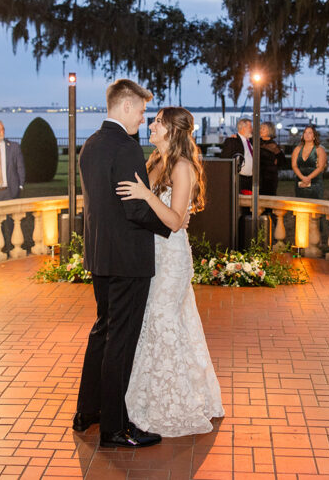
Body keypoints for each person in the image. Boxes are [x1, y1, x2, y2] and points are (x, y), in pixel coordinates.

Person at [74, 79, 171, 449]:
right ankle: (115, 428)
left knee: (102, 331)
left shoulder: (91, 146)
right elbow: (134, 208)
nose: (143, 117)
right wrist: (167, 225)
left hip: (100, 256)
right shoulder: (127, 148)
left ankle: (88, 411)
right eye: (142, 110)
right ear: (127, 107)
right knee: (121, 341)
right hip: (129, 259)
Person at [117, 107, 224, 436]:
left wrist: (147, 195)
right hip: (151, 254)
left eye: (158, 122)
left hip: (172, 258)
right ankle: (152, 394)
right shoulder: (156, 161)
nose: (151, 125)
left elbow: (176, 220)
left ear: (172, 131)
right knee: (158, 322)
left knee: (164, 321)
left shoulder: (182, 167)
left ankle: (174, 401)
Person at [0, 120, 25, 201]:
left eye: (1, 129)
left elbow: (20, 167)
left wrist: (20, 186)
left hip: (10, 192)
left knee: (11, 213)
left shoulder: (14, 147)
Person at [220, 119, 254, 193]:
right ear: (243, 128)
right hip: (239, 179)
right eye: (250, 127)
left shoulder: (251, 141)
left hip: (251, 179)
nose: (252, 129)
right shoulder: (232, 141)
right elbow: (225, 160)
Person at [292, 126, 326, 200]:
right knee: (300, 205)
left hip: (315, 182)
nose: (307, 135)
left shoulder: (319, 150)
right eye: (305, 132)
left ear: (314, 137)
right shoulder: (297, 149)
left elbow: (320, 167)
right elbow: (294, 166)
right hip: (300, 180)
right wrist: (302, 178)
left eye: (310, 133)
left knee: (315, 206)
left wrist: (308, 178)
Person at [257, 121, 285, 196]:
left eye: (263, 128)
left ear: (270, 130)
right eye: (260, 128)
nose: (260, 130)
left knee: (268, 198)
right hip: (257, 176)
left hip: (269, 177)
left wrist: (276, 163)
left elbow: (282, 161)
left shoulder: (273, 145)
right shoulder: (256, 142)